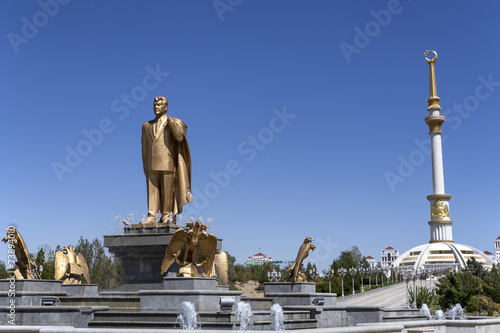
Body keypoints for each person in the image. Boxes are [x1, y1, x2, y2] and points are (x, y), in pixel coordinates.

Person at [141, 96, 193, 225]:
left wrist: (171, 123)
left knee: (167, 191)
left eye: (159, 105)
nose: (156, 107)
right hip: (151, 163)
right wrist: (145, 164)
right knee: (152, 192)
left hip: (167, 163)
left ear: (166, 107)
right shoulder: (146, 125)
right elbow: (143, 147)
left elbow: (180, 138)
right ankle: (152, 216)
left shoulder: (174, 122)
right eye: (155, 105)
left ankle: (166, 215)